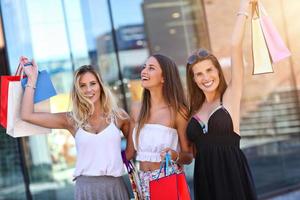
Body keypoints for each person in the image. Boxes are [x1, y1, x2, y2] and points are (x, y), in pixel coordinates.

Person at [20, 57, 130, 200]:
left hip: (115, 187)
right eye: (82, 85)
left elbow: (132, 150)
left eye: (93, 83)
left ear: (101, 86)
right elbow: (27, 115)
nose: (88, 89)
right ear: (77, 90)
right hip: (86, 190)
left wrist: (115, 163)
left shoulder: (119, 116)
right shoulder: (71, 120)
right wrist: (32, 79)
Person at [185, 0, 258, 199]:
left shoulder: (230, 97)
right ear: (193, 79)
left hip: (232, 176)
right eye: (198, 74)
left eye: (209, 70)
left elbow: (235, 45)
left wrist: (244, 8)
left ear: (218, 70)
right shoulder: (193, 109)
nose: (205, 77)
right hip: (205, 179)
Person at [125, 54, 193, 199]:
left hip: (168, 180)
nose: (144, 71)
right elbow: (129, 153)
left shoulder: (178, 111)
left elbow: (188, 156)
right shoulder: (136, 109)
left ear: (164, 78)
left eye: (151, 68)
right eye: (144, 67)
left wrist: (175, 156)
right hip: (143, 183)